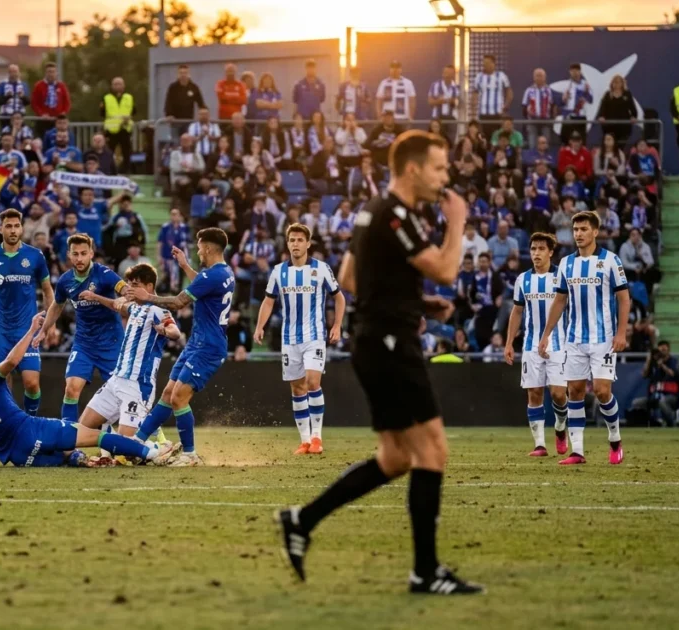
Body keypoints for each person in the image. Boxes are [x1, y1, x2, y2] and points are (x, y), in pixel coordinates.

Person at [276, 130, 483, 595]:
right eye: (439, 168)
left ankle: (301, 520)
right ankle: (425, 572)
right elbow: (448, 270)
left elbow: (350, 276)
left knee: (396, 457)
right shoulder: (396, 213)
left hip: (376, 337)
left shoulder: (371, 210)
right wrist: (457, 223)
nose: (445, 178)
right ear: (413, 169)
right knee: (432, 452)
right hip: (390, 343)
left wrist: (415, 300)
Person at [0, 314, 179, 467]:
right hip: (31, 429)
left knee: (68, 456)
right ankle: (154, 452)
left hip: (18, 456)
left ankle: (77, 459)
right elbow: (11, 361)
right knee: (98, 436)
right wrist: (31, 330)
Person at [128, 228, 235, 467]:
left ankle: (189, 455)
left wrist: (147, 297)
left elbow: (178, 302)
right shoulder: (223, 273)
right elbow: (203, 285)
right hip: (197, 343)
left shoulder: (212, 276)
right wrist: (186, 266)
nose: (198, 251)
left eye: (199, 247)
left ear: (207, 248)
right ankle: (137, 442)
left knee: (178, 398)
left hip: (208, 347)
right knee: (168, 393)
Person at [537, 211, 631, 466]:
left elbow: (623, 298)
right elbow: (559, 300)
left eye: (583, 229)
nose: (578, 234)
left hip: (603, 339)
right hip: (574, 339)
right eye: (575, 229)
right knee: (575, 392)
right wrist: (546, 334)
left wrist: (622, 332)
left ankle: (615, 439)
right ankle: (577, 451)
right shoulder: (567, 263)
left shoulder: (611, 261)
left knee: (601, 391)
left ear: (595, 232)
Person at [254, 223, 344, 455]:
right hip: (289, 338)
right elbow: (268, 301)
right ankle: (304, 441)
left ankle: (317, 438)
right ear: (288, 244)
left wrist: (337, 325)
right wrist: (260, 326)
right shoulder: (278, 272)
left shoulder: (321, 268)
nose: (295, 244)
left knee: (313, 382)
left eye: (300, 240)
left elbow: (339, 298)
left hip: (314, 336)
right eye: (292, 240)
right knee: (297, 389)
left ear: (308, 243)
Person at [74, 263, 180, 444]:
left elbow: (175, 332)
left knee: (126, 445)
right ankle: (132, 446)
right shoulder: (134, 307)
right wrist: (95, 297)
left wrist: (164, 330)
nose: (130, 289)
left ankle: (160, 450)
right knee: (81, 429)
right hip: (115, 380)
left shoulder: (158, 310)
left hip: (137, 386)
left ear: (149, 287)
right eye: (129, 285)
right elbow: (116, 306)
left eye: (135, 285)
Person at [0, 209, 54, 416]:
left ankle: (29, 421)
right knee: (2, 381)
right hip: (1, 331)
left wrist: (50, 325)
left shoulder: (35, 256)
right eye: (9, 226)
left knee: (32, 383)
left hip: (28, 331)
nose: (13, 230)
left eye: (17, 226)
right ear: (1, 229)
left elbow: (48, 290)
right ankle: (9, 426)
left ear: (22, 228)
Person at [34, 234, 126, 423]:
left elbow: (126, 293)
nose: (79, 258)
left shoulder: (105, 274)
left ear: (91, 253)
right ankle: (69, 443)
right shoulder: (65, 281)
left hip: (111, 344)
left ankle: (154, 437)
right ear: (69, 255)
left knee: (124, 394)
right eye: (75, 254)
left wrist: (112, 299)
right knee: (71, 388)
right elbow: (57, 305)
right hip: (84, 344)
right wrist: (44, 329)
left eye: (84, 253)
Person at [503, 233, 570, 457]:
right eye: (533, 249)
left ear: (550, 252)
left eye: (541, 249)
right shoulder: (523, 279)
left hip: (558, 345)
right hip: (531, 345)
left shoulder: (562, 275)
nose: (536, 253)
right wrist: (509, 342)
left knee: (559, 394)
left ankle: (561, 426)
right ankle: (540, 445)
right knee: (534, 393)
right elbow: (517, 311)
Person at [643, 341, 679, 426]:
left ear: (668, 350)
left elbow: (673, 374)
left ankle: (671, 424)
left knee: (662, 402)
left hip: (672, 395)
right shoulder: (654, 363)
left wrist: (662, 365)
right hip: (655, 395)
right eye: (660, 350)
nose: (662, 352)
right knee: (637, 403)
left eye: (664, 349)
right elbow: (644, 375)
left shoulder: (675, 361)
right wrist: (649, 360)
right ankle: (652, 424)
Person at [101, 77, 134, 175]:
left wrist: (128, 118)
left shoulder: (129, 97)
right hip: (112, 129)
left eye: (120, 84)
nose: (118, 86)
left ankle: (126, 171)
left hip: (125, 128)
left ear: (124, 86)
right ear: (112, 86)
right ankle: (109, 171)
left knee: (127, 152)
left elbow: (133, 111)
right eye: (115, 84)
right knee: (109, 152)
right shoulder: (106, 98)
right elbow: (102, 113)